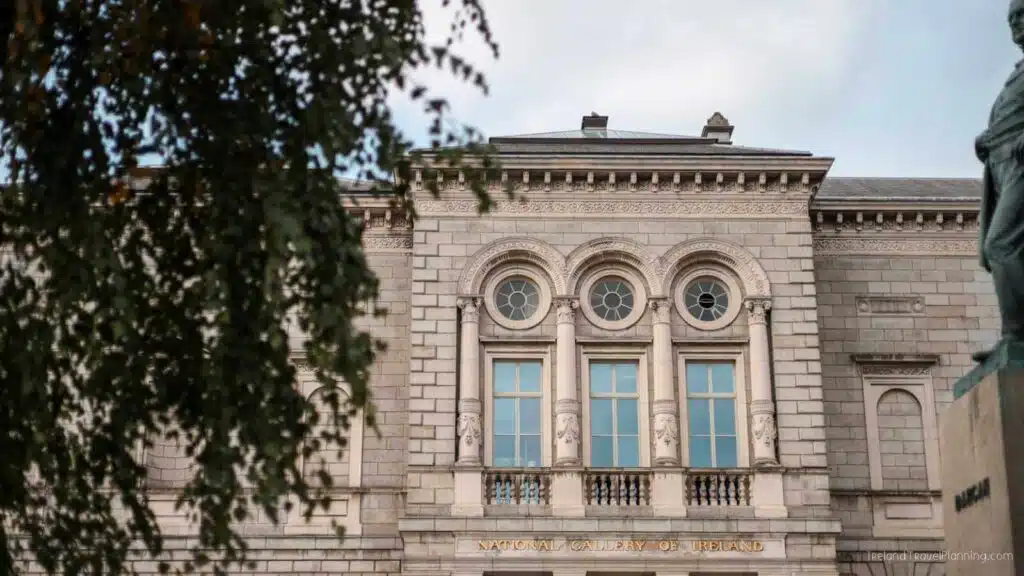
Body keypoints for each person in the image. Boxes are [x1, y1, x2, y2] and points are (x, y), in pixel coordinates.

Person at [972, 0, 1024, 362]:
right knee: (1001, 248)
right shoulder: (1015, 77)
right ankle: (1013, 334)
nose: (1016, 25)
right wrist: (987, 141)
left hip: (1020, 164)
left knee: (1000, 245)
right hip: (1002, 168)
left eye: (1022, 16)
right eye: (1012, 19)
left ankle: (1017, 335)